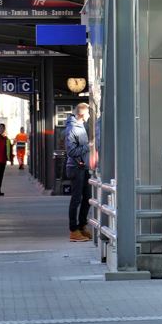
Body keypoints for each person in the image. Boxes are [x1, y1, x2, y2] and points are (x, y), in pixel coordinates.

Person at [66, 103, 94, 242]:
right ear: (82, 114)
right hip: (76, 168)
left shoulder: (83, 126)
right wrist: (87, 147)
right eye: (88, 113)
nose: (90, 116)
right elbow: (71, 151)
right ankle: (73, 230)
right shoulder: (72, 128)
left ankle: (82, 226)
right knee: (76, 199)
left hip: (84, 168)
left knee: (87, 197)